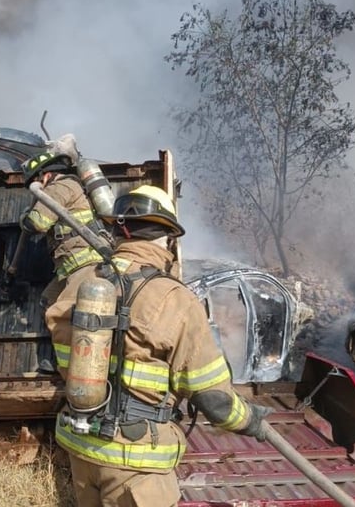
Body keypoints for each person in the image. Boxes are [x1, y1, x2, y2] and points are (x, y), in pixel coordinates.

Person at [48, 185, 273, 507]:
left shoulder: (81, 283)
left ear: (118, 231)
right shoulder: (173, 298)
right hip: (135, 460)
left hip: (82, 447)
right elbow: (211, 397)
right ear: (167, 237)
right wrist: (249, 420)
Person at [21, 150, 109, 372]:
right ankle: (59, 361)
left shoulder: (60, 187)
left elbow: (37, 223)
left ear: (45, 176)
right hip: (71, 267)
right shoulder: (68, 186)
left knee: (62, 312)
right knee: (48, 300)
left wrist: (25, 216)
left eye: (35, 182)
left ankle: (74, 369)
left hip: (86, 264)